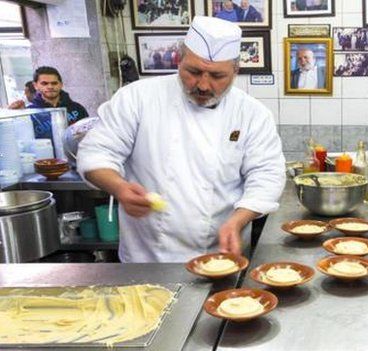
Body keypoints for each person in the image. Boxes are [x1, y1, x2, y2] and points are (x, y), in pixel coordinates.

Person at [77, 16, 286, 263]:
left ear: (235, 71)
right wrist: (119, 187)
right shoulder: (137, 98)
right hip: (150, 258)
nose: (204, 85)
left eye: (217, 76)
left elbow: (267, 174)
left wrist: (238, 219)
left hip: (222, 255)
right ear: (179, 60)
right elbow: (95, 154)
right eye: (194, 72)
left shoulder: (252, 113)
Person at [28, 66, 89, 139]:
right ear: (35, 85)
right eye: (44, 83)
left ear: (61, 84)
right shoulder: (30, 113)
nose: (50, 86)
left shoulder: (77, 108)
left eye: (54, 83)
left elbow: (89, 134)